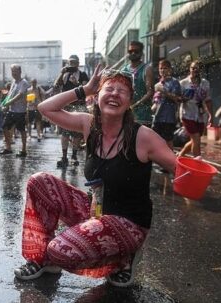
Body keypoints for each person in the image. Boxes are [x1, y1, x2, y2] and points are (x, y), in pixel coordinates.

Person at [13, 65, 177, 287]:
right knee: (38, 182)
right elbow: (45, 108)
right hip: (96, 212)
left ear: (129, 102)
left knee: (60, 250)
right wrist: (84, 89)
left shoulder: (143, 136)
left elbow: (180, 168)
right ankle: (43, 259)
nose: (115, 94)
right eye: (109, 88)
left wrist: (194, 170)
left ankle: (122, 258)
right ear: (97, 95)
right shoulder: (89, 125)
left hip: (129, 224)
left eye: (122, 91)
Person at [53, 54, 89, 167]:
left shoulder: (83, 75)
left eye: (74, 63)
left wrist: (76, 84)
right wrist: (61, 73)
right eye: (70, 63)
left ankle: (74, 156)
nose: (72, 65)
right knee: (65, 132)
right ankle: (64, 157)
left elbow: (86, 90)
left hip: (79, 106)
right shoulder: (65, 74)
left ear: (78, 64)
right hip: (67, 107)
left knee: (77, 133)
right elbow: (56, 85)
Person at [178, 61, 212, 157]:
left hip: (200, 116)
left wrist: (211, 115)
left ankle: (179, 156)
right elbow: (177, 99)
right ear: (190, 69)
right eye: (193, 68)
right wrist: (182, 99)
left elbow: (208, 100)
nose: (195, 70)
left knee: (195, 139)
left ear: (201, 70)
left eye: (197, 68)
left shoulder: (205, 83)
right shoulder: (183, 83)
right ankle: (197, 163)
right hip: (187, 114)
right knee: (196, 138)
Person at [0, 64, 29, 157]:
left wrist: (8, 103)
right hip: (12, 111)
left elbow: (19, 95)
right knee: (4, 127)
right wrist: (4, 103)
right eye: (12, 71)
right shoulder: (13, 82)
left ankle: (23, 150)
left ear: (20, 72)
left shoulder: (24, 82)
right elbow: (10, 94)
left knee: (21, 130)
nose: (13, 73)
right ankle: (8, 148)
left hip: (20, 111)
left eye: (15, 71)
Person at [122, 41, 154, 127]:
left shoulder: (147, 69)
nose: (133, 53)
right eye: (130, 51)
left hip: (143, 116)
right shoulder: (124, 70)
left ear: (141, 53)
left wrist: (135, 105)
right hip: (126, 115)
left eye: (136, 51)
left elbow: (150, 92)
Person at [152, 59, 181, 150]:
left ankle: (171, 162)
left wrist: (164, 91)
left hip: (168, 118)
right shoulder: (158, 84)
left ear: (170, 69)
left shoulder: (174, 82)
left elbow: (177, 98)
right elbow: (156, 100)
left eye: (165, 68)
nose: (163, 70)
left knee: (168, 141)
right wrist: (153, 105)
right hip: (157, 117)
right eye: (161, 68)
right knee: (155, 140)